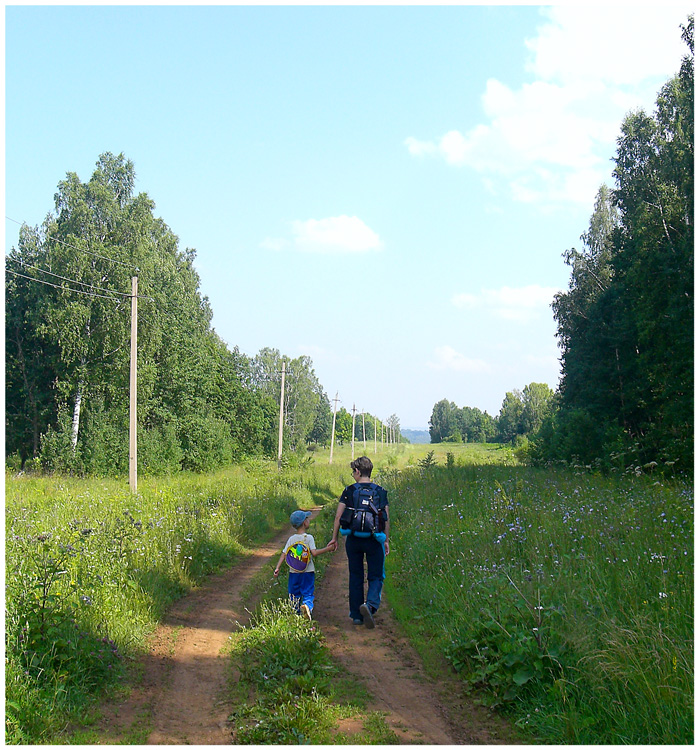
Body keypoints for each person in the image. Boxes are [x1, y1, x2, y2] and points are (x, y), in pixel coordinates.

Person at [331, 456, 389, 629]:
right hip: (374, 539)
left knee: (355, 575)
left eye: (353, 472)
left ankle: (356, 615)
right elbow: (386, 518)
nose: (353, 475)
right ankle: (370, 606)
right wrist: (386, 540)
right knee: (376, 575)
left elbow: (338, 517)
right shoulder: (380, 491)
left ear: (357, 471)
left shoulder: (349, 491)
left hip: (354, 539)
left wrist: (334, 538)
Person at [274, 509, 336, 620]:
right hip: (308, 571)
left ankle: (296, 615)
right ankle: (307, 607)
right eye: (307, 519)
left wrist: (277, 567)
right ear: (304, 523)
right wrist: (328, 549)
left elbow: (284, 554)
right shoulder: (309, 538)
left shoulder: (291, 539)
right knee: (307, 592)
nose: (308, 520)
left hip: (294, 572)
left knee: (294, 594)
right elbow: (314, 553)